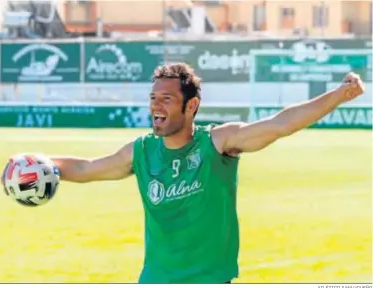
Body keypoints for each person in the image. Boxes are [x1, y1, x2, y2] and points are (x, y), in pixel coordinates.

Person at [43, 63, 365, 283]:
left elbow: (280, 124)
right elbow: (86, 168)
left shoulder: (218, 143)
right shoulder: (139, 152)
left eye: (166, 99)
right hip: (155, 280)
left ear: (191, 105)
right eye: (153, 98)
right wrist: (40, 163)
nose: (156, 106)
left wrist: (339, 95)